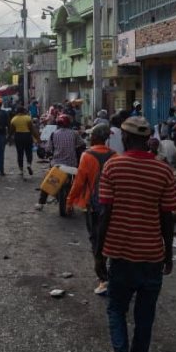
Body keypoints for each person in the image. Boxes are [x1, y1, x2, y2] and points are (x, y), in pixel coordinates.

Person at [95, 116, 176, 352]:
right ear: (148, 141)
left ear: (126, 139)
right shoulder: (164, 171)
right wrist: (168, 254)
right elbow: (167, 218)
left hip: (120, 254)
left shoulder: (113, 166)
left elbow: (104, 214)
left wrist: (98, 254)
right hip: (151, 256)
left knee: (116, 309)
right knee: (145, 318)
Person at [65, 124, 115, 296]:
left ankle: (103, 278)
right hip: (112, 205)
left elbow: (79, 182)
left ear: (94, 137)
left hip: (94, 205)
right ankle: (108, 274)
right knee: (108, 237)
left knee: (96, 240)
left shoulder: (87, 155)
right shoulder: (115, 155)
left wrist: (70, 200)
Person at [36, 114, 83, 208]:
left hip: (56, 165)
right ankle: (83, 202)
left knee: (48, 182)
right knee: (81, 181)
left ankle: (41, 203)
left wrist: (48, 153)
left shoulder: (54, 134)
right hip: (72, 164)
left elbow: (48, 149)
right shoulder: (75, 133)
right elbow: (81, 145)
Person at [9, 106, 37, 179]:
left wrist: (9, 139)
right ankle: (28, 164)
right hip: (27, 136)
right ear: (23, 111)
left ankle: (21, 170)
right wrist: (37, 138)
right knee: (28, 152)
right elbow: (32, 129)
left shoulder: (14, 119)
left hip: (18, 136)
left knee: (20, 153)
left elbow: (11, 130)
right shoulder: (27, 118)